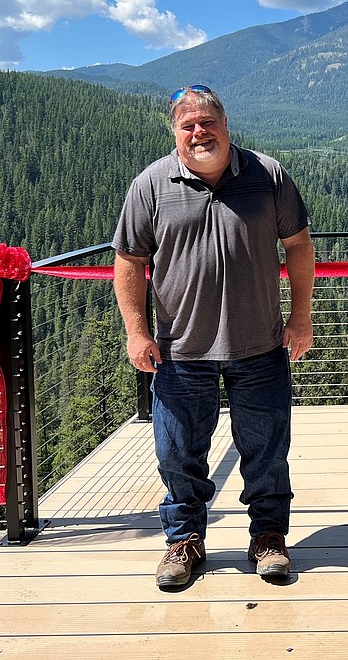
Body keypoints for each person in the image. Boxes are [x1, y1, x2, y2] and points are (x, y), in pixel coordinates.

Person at [112, 84, 315, 588]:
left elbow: (299, 246)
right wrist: (136, 332)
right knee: (177, 454)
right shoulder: (152, 185)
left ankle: (268, 538)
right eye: (189, 126)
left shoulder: (268, 176)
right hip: (181, 350)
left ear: (226, 126)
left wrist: (302, 317)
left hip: (261, 345)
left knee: (267, 451)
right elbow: (129, 262)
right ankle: (184, 543)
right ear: (176, 134)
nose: (200, 132)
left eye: (208, 123)